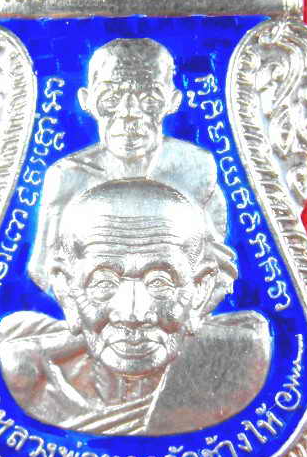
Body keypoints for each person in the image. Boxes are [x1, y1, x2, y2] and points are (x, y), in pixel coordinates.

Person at [0, 179, 271, 435]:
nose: (133, 313)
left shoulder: (239, 362)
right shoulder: (32, 378)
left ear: (200, 288)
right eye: (103, 283)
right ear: (66, 290)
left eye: (160, 283)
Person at [27, 37, 229, 300]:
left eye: (149, 99)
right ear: (87, 101)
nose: (129, 112)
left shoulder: (194, 168)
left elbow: (216, 268)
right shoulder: (68, 177)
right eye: (111, 99)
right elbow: (43, 271)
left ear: (172, 101)